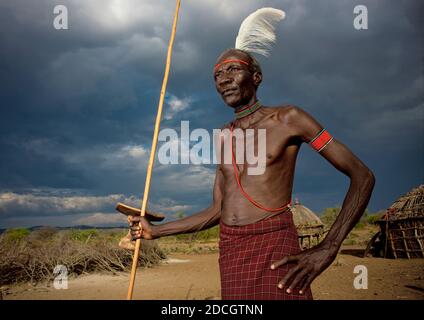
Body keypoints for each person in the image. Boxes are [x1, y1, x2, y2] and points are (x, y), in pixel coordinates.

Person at [121, 47, 375, 300]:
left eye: (232, 69)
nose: (223, 79)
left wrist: (328, 247)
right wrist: (156, 231)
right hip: (231, 250)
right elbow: (217, 211)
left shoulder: (289, 119)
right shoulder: (223, 137)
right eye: (217, 75)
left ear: (256, 77)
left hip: (274, 244)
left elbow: (362, 176)